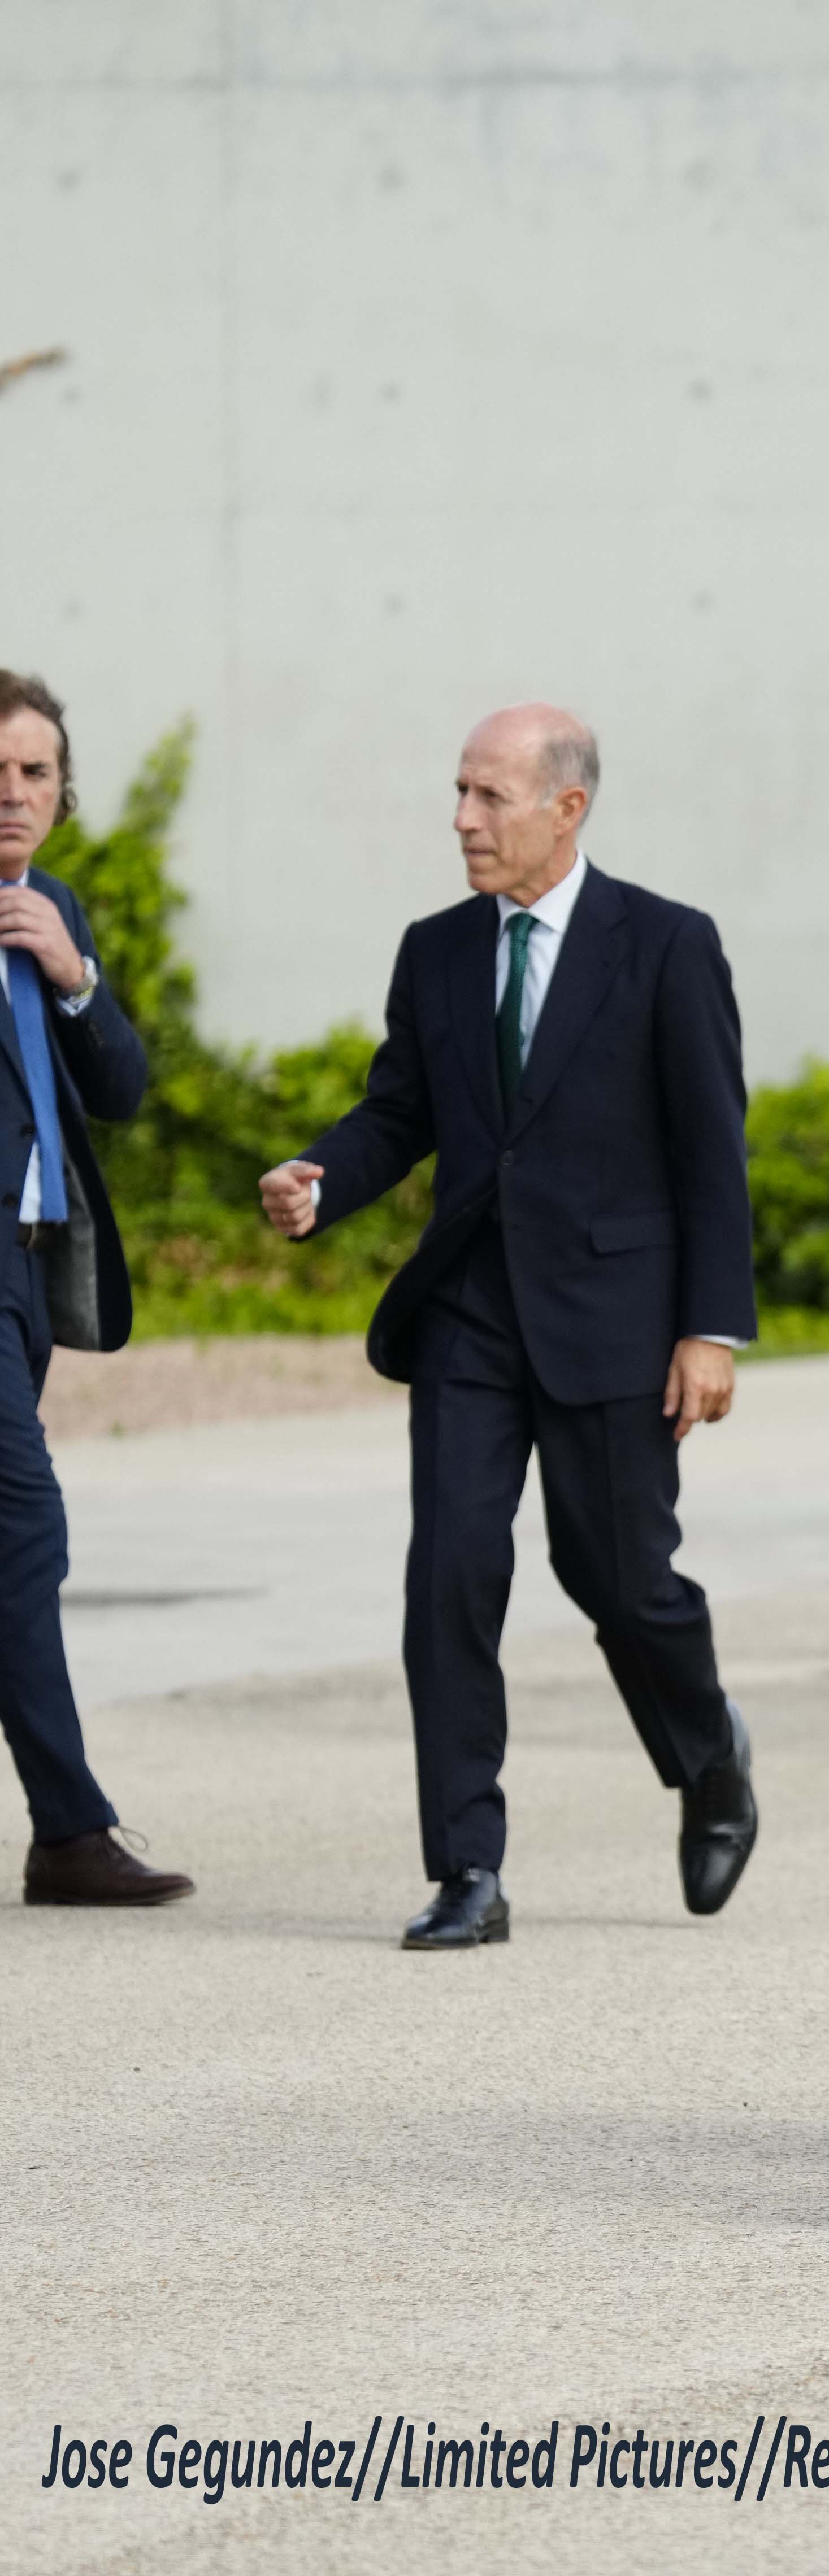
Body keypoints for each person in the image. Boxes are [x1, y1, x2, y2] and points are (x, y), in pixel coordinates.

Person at [258, 703, 758, 1950]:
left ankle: (711, 1757)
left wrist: (711, 1328)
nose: (464, 820)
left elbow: (712, 1152)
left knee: (622, 1582)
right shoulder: (435, 951)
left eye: (491, 797)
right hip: (471, 1316)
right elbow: (398, 1114)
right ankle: (466, 1870)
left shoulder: (666, 945)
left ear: (566, 809)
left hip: (617, 1321)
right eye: (461, 794)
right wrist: (321, 1176)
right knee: (452, 1578)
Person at [0, 670, 194, 1908]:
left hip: (29, 1281)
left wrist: (75, 975)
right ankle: (71, 1830)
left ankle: (68, 1836)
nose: (12, 795)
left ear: (63, 795)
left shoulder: (52, 904)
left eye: (33, 773)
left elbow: (119, 1090)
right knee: (26, 1527)